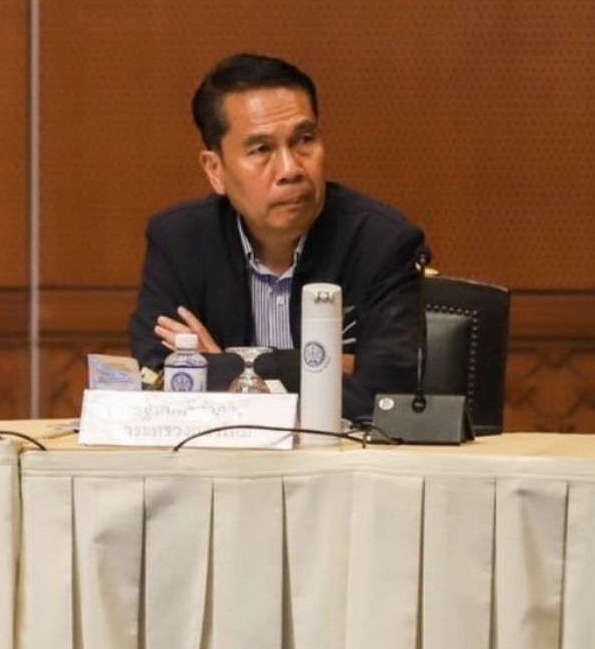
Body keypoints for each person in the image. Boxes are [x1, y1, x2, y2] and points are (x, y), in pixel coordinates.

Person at [129, 53, 427, 420]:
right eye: (262, 149)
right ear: (215, 169)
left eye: (304, 140)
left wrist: (221, 367)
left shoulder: (382, 243)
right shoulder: (180, 241)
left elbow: (388, 398)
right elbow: (157, 382)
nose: (290, 169)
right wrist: (319, 368)